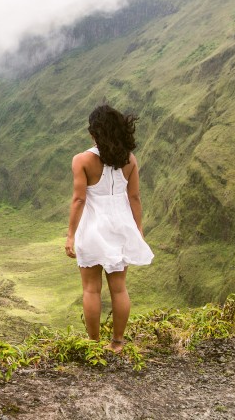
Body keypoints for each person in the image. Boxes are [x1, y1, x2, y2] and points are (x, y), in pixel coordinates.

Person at [64, 104, 154, 352]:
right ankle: (117, 343)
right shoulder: (129, 160)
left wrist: (71, 235)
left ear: (95, 132)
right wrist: (138, 229)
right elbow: (135, 198)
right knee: (119, 288)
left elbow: (79, 200)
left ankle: (93, 345)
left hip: (93, 227)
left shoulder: (82, 160)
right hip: (121, 227)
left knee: (91, 290)